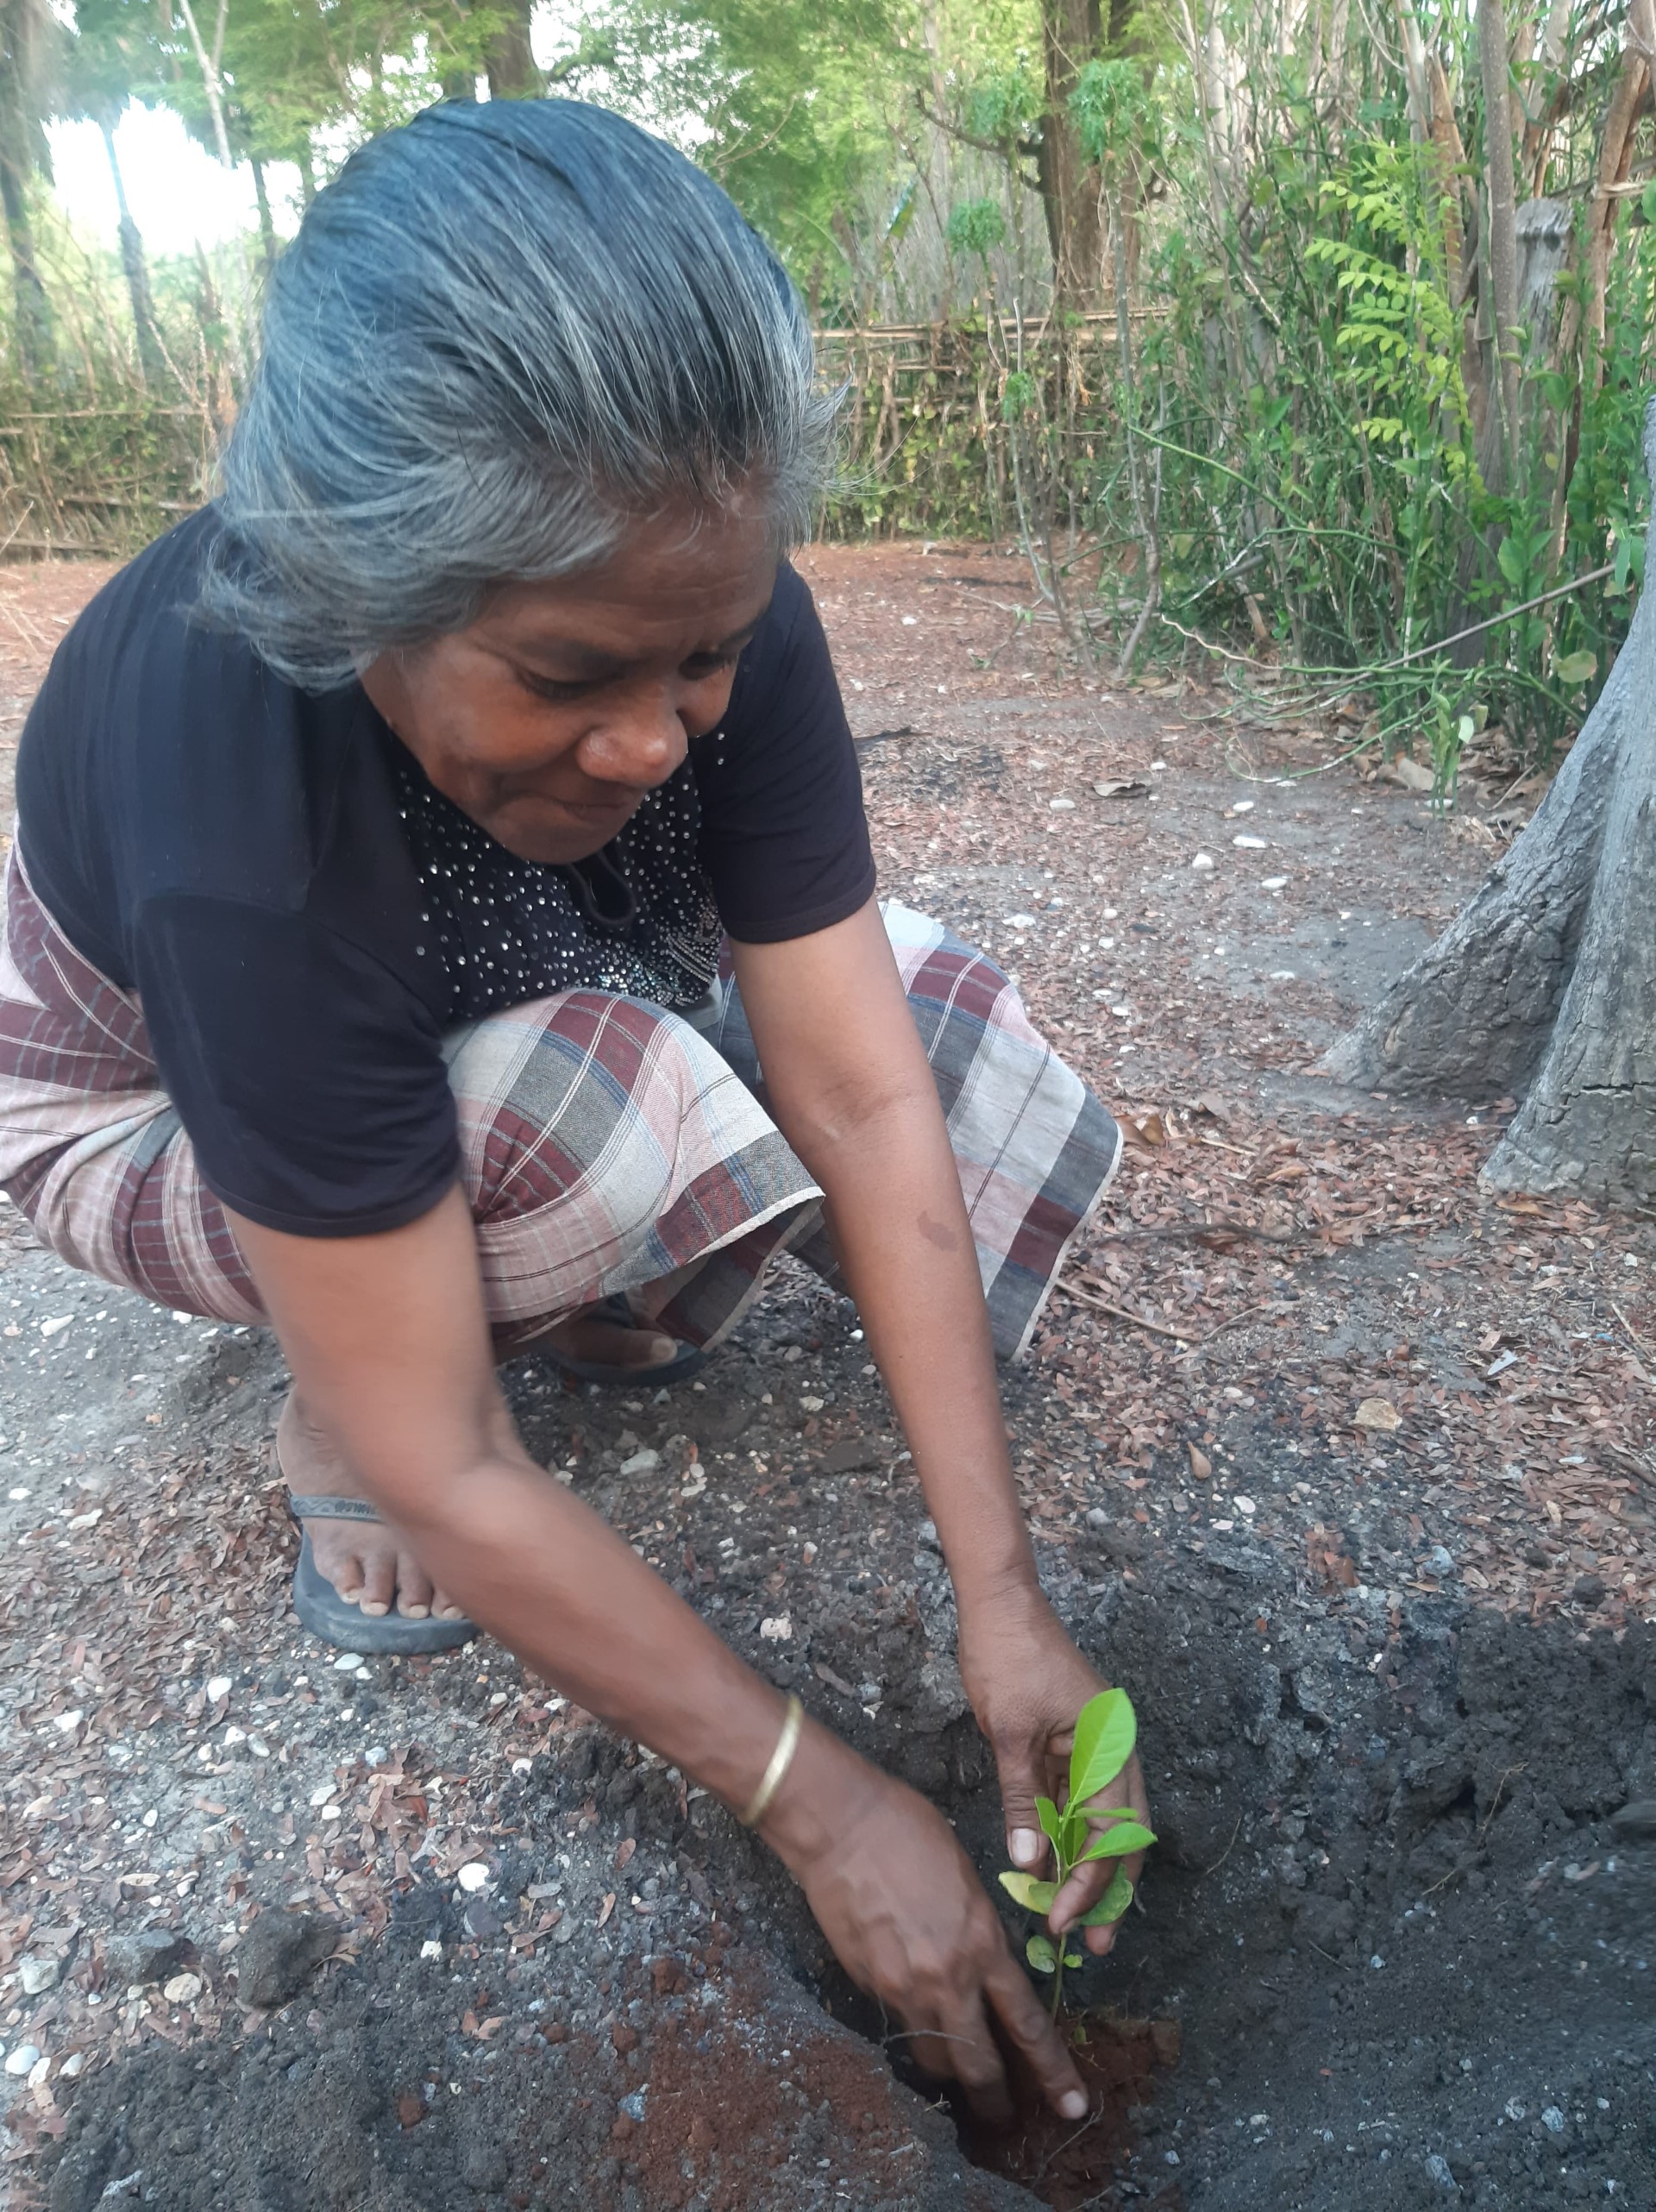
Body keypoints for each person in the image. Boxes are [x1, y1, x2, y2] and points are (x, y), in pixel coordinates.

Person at [0, 99, 1148, 2120]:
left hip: (478, 942)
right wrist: (818, 1800)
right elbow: (451, 1462)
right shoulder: (237, 810)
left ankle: (436, 1267)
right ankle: (323, 1357)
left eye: (699, 658)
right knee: (592, 1126)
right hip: (133, 1098)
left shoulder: (710, 599)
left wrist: (1005, 1605)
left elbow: (870, 1091)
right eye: (565, 675)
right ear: (371, 593)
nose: (649, 733)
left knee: (948, 1014)